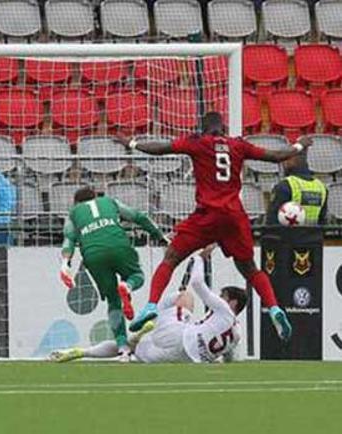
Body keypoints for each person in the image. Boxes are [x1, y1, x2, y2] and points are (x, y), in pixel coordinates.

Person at [121, 111, 312, 341]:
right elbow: (276, 156)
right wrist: (300, 146)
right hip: (234, 216)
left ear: (203, 127)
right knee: (250, 269)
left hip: (207, 215)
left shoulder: (197, 142)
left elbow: (162, 149)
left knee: (171, 258)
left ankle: (151, 305)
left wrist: (133, 143)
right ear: (223, 127)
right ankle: (274, 308)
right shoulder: (237, 145)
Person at [51, 251, 247, 364]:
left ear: (232, 303)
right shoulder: (237, 332)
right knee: (129, 348)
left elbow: (197, 283)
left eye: (223, 296)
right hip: (181, 359)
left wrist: (199, 258)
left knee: (185, 296)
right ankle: (84, 352)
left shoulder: (223, 310)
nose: (219, 298)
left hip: (178, 335)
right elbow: (229, 358)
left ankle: (150, 314)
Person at [58, 186, 168, 361]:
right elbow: (138, 217)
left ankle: (123, 348)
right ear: (95, 196)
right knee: (137, 276)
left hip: (93, 254)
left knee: (113, 301)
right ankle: (128, 286)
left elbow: (69, 239)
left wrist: (65, 264)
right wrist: (159, 236)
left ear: (77, 202)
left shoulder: (74, 213)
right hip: (119, 246)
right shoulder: (110, 202)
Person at [267, 149, 328, 225]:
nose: (284, 164)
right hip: (314, 235)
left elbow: (272, 219)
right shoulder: (321, 187)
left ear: (291, 160)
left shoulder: (285, 185)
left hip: (289, 235)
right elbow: (322, 219)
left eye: (285, 160)